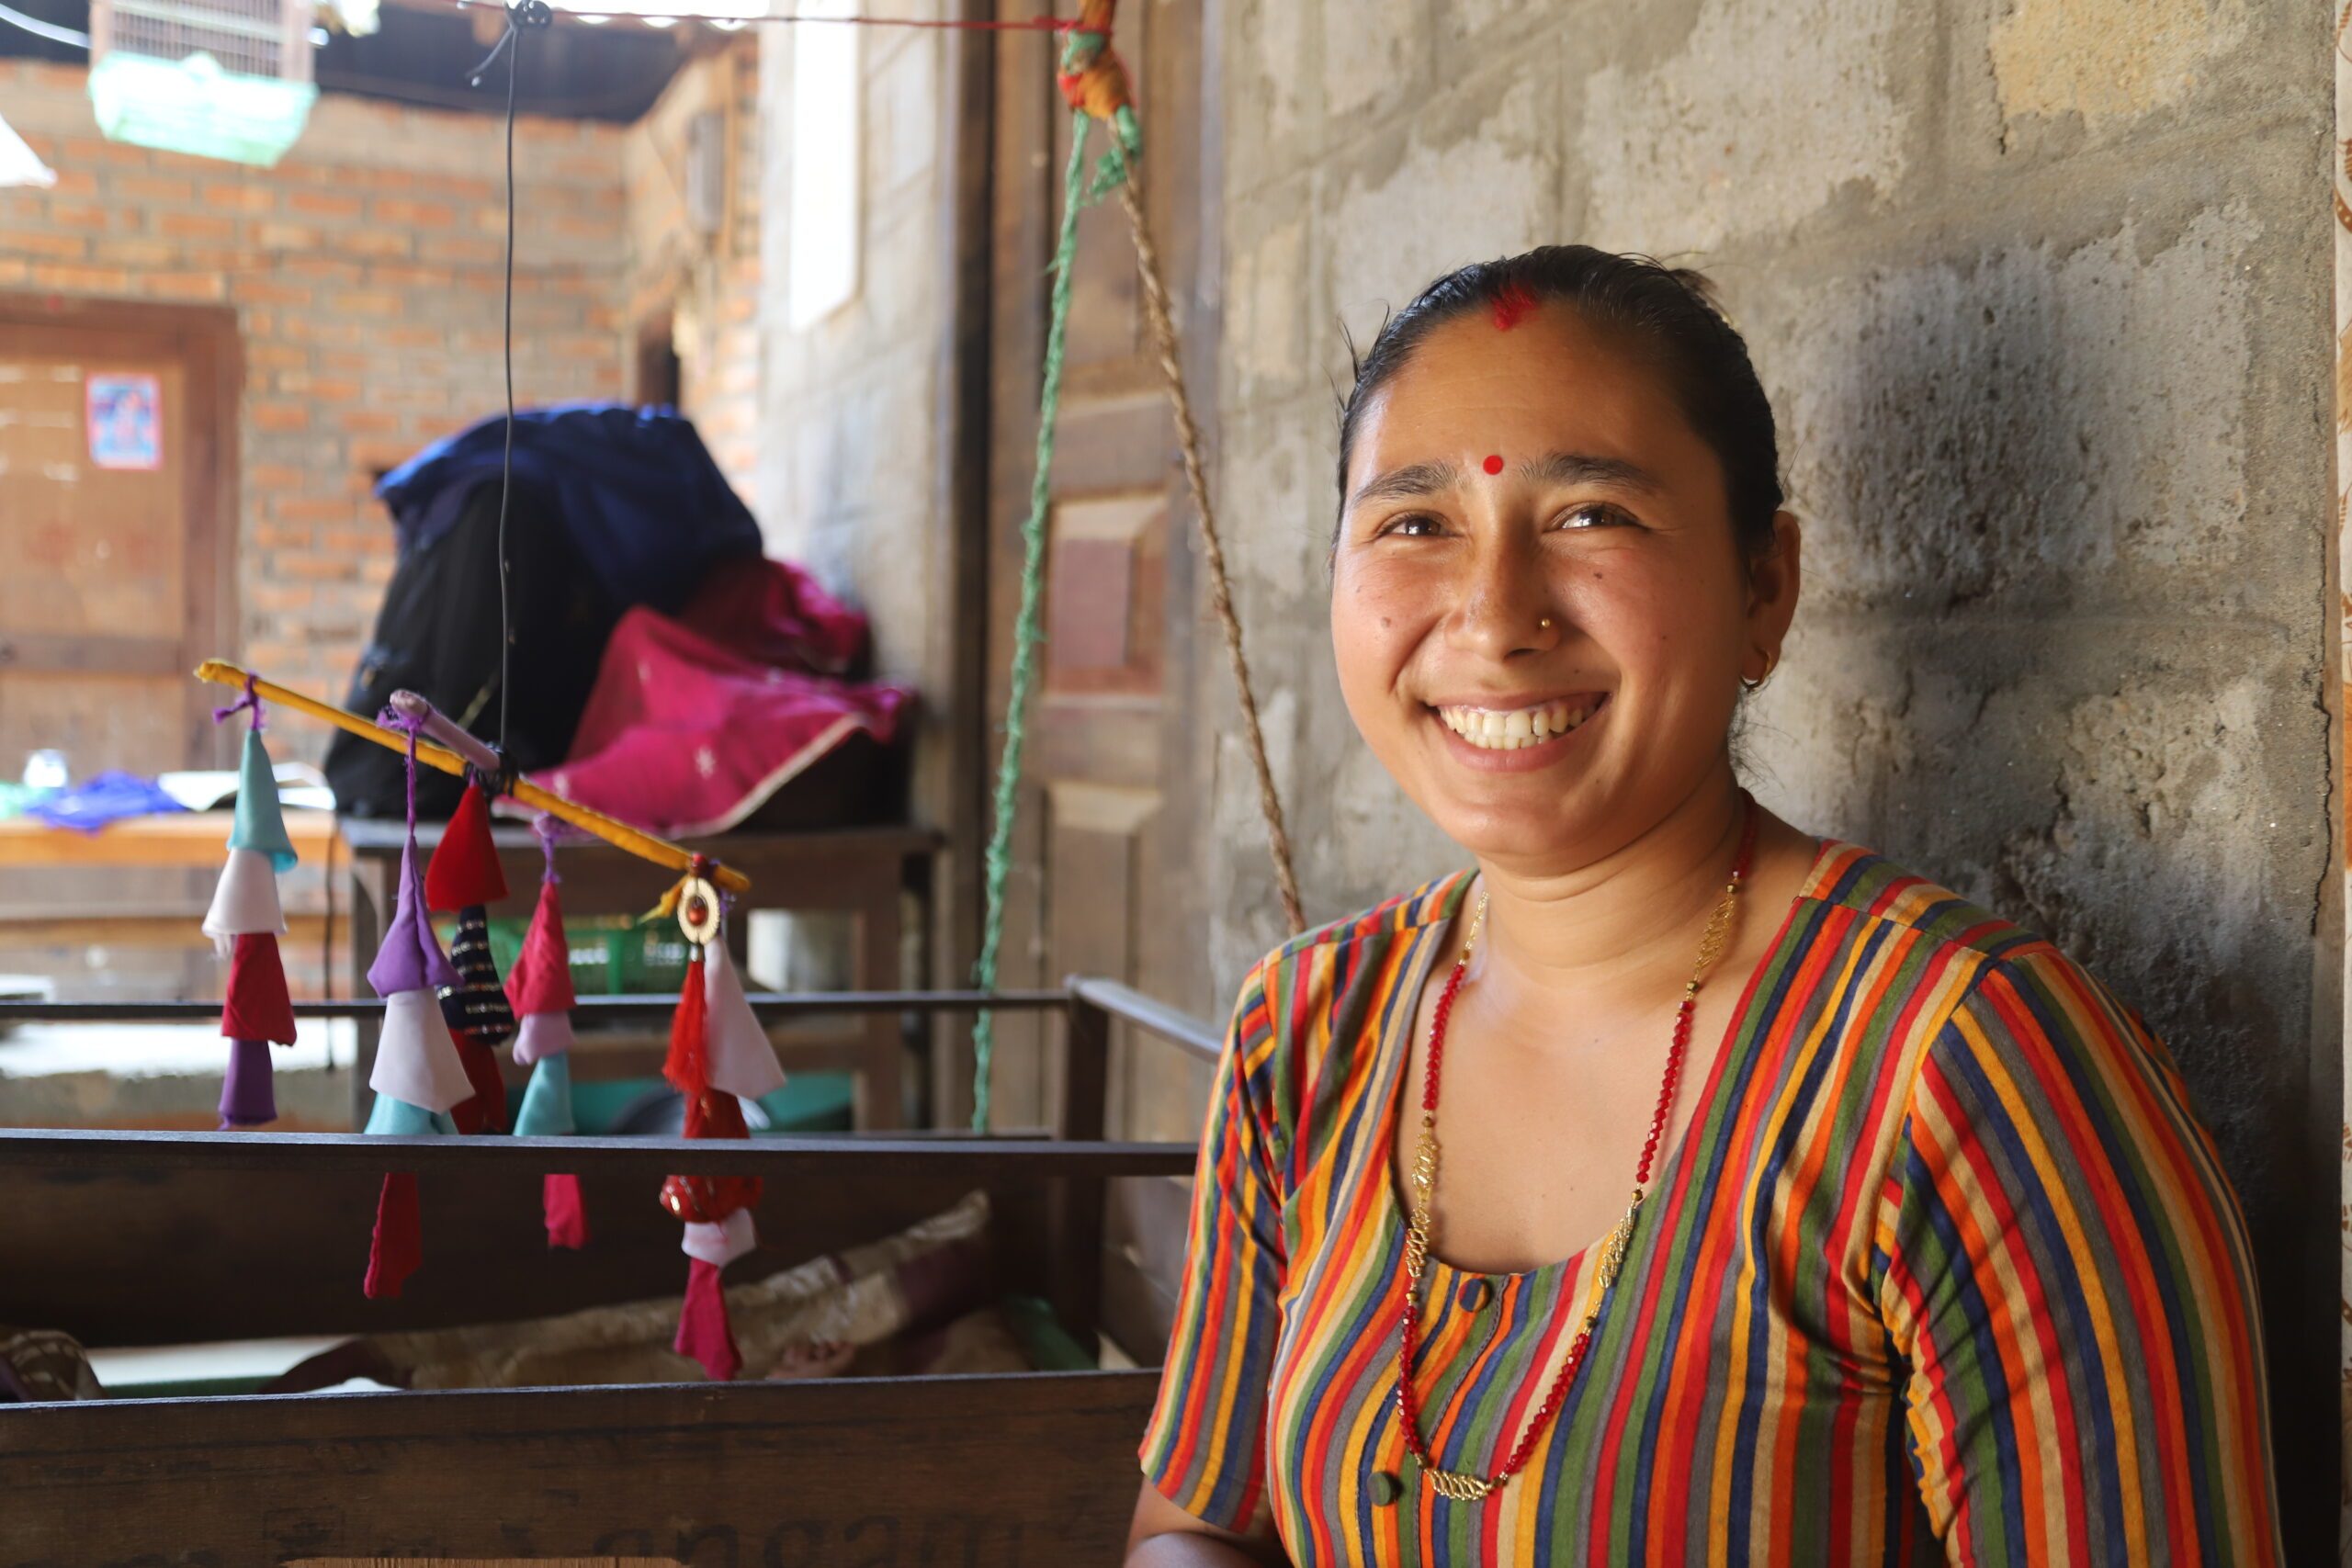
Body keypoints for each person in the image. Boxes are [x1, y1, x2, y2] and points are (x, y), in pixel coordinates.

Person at [1124, 247, 2282, 1564]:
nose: (1494, 620)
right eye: (1414, 523)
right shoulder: (1312, 1030)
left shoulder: (1962, 1068)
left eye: (1591, 517)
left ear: (1762, 592)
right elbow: (1199, 1526)